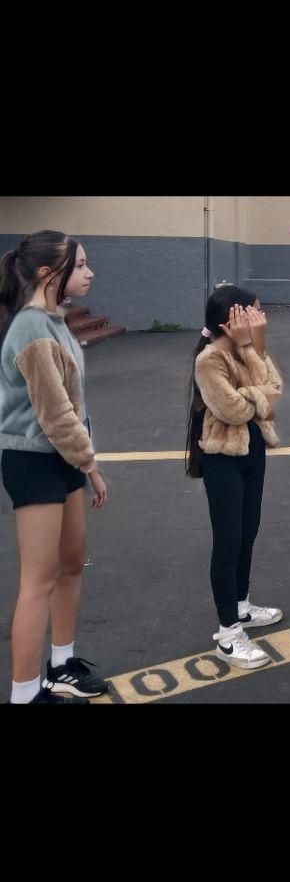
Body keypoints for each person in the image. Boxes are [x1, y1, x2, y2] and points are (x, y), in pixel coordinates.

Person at [0, 232, 110, 705]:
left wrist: (82, 461)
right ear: (50, 274)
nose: (89, 273)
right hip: (34, 460)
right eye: (80, 265)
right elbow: (55, 411)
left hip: (61, 457)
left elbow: (72, 406)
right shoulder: (31, 328)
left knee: (70, 565)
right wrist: (92, 466)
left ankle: (62, 663)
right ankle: (25, 694)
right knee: (38, 580)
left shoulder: (55, 321)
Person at [185, 285, 283, 670]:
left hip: (253, 450)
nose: (262, 319)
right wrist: (256, 390)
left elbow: (275, 392)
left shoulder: (250, 351)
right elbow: (232, 410)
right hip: (223, 458)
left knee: (248, 530)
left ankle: (241, 607)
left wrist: (253, 353)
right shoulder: (209, 359)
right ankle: (228, 634)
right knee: (227, 542)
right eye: (255, 313)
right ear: (232, 321)